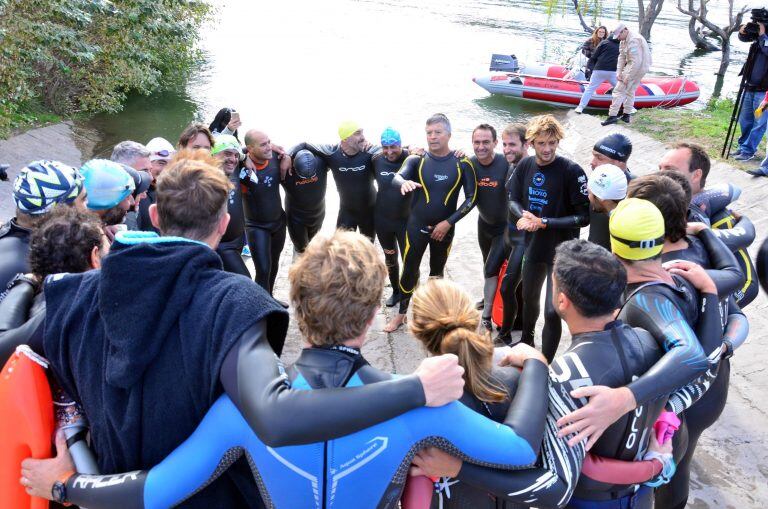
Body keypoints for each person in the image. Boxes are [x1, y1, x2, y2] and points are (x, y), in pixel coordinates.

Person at [22, 157, 467, 507]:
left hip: (112, 488)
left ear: (154, 215)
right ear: (223, 224)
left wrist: (67, 482)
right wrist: (417, 389)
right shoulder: (232, 303)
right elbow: (275, 416)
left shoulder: (74, 295)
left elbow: (14, 347)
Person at [22, 231, 547, 508]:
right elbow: (521, 452)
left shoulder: (236, 412)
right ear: (371, 318)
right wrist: (538, 366)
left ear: (295, 308)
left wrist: (65, 486)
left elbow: (155, 492)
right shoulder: (423, 403)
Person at [410, 240, 678, 509]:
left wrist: (458, 468)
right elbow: (679, 403)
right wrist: (655, 465)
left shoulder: (567, 375)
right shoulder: (652, 342)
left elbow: (556, 486)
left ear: (561, 300)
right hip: (641, 498)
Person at [556, 198, 741, 458]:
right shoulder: (686, 275)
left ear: (614, 246)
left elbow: (693, 355)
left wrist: (624, 399)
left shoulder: (647, 300)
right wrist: (709, 291)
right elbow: (736, 282)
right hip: (675, 415)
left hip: (652, 428)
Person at [625, 175, 749, 509]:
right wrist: (707, 232)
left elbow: (691, 357)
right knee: (681, 457)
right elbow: (737, 285)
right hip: (715, 383)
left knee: (665, 470)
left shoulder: (663, 274)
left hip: (684, 389)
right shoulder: (702, 251)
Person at [508, 114, 589, 361]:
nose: (547, 149)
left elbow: (583, 217)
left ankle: (546, 362)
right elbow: (512, 199)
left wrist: (544, 222)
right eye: (541, 143)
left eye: (552, 143)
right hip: (534, 248)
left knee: (552, 311)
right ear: (531, 143)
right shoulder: (524, 166)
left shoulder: (571, 171)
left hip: (562, 252)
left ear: (557, 142)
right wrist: (522, 215)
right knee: (528, 300)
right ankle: (526, 342)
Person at [386, 113, 477, 332]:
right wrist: (404, 182)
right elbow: (396, 177)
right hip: (416, 225)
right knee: (409, 270)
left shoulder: (462, 162)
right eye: (429, 133)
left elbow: (472, 197)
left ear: (449, 135)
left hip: (444, 229)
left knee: (437, 272)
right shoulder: (417, 159)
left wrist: (448, 222)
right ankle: (401, 315)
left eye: (437, 132)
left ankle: (433, 314)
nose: (432, 137)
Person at [0, 207, 108, 363]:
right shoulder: (65, 311)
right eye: (108, 243)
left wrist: (25, 283)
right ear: (95, 257)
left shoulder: (44, 305)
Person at [659, 141, 758, 307]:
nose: (660, 175)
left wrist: (715, 312)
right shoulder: (659, 201)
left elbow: (748, 283)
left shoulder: (720, 217)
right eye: (660, 168)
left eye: (669, 170)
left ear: (696, 175)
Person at [0, 160, 85, 290]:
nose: (87, 208)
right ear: (61, 210)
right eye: (84, 199)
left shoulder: (8, 234)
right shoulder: (35, 266)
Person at [290, 121, 380, 239]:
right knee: (341, 251)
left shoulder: (370, 151)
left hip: (369, 212)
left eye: (362, 132)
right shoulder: (331, 152)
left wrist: (411, 148)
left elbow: (394, 150)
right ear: (345, 138)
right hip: (347, 212)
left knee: (367, 252)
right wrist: (287, 155)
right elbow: (304, 145)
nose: (363, 137)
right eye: (357, 133)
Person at [469, 124, 510, 331]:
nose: (481, 146)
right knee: (487, 265)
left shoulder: (505, 164)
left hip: (504, 228)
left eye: (486, 142)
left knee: (490, 268)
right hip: (483, 224)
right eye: (477, 142)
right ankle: (488, 299)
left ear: (495, 143)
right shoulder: (470, 163)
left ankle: (486, 316)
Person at [241, 129, 288, 295]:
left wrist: (287, 156)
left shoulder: (275, 157)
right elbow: (219, 155)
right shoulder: (242, 169)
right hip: (256, 226)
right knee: (263, 270)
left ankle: (270, 298)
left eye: (269, 142)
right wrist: (242, 156)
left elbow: (286, 151)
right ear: (250, 149)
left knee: (274, 264)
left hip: (279, 223)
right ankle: (260, 309)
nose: (269, 147)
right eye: (263, 145)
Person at [496, 123, 528, 344]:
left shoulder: (530, 168)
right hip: (510, 235)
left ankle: (505, 334)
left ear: (526, 144)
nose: (507, 149)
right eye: (505, 144)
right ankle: (518, 322)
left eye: (513, 144)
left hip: (524, 241)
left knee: (508, 288)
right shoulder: (510, 165)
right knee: (516, 288)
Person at [373, 127, 411, 307]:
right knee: (390, 259)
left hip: (406, 222)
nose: (389, 152)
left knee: (409, 259)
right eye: (385, 147)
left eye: (393, 147)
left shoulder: (412, 158)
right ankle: (396, 291)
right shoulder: (376, 159)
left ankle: (407, 292)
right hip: (383, 221)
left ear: (400, 144)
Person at [209, 137, 249, 277]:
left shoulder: (234, 169)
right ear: (212, 154)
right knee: (246, 281)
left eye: (235, 155)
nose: (233, 159)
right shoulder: (203, 178)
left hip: (238, 241)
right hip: (222, 246)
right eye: (227, 154)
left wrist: (245, 157)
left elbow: (249, 148)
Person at [602, 23, 651, 125]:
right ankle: (626, 115)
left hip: (638, 67)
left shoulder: (634, 40)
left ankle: (612, 116)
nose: (618, 38)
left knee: (618, 90)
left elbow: (636, 61)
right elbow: (621, 57)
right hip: (636, 66)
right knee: (630, 91)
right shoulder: (624, 40)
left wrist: (628, 76)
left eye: (619, 36)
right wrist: (619, 72)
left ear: (624, 30)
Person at [733, 21, 768, 161]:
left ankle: (748, 151)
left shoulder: (763, 37)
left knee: (759, 122)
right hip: (749, 85)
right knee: (745, 119)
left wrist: (762, 35)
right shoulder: (760, 35)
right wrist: (742, 31)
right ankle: (742, 147)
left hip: (765, 91)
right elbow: (744, 38)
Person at [282, 149, 327, 254]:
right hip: (296, 220)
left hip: (318, 216)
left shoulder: (322, 162)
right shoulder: (285, 169)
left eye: (311, 176)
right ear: (293, 166)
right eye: (303, 176)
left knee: (314, 249)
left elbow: (306, 143)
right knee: (302, 251)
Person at [80, 159, 135, 232]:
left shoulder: (73, 226)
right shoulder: (87, 239)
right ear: (107, 201)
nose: (132, 202)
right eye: (127, 197)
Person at [575, 31, 620, 113]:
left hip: (600, 70)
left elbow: (594, 56)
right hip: (610, 71)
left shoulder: (604, 42)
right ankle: (630, 108)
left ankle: (580, 107)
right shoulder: (621, 45)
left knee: (589, 89)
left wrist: (591, 67)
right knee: (621, 89)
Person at [586, 163, 628, 251]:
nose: (588, 197)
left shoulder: (620, 227)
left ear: (601, 199)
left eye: (589, 193)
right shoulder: (625, 212)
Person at [138, 137, 176, 233]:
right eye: (161, 163)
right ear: (148, 164)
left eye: (170, 164)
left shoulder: (175, 192)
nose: (166, 169)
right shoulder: (138, 195)